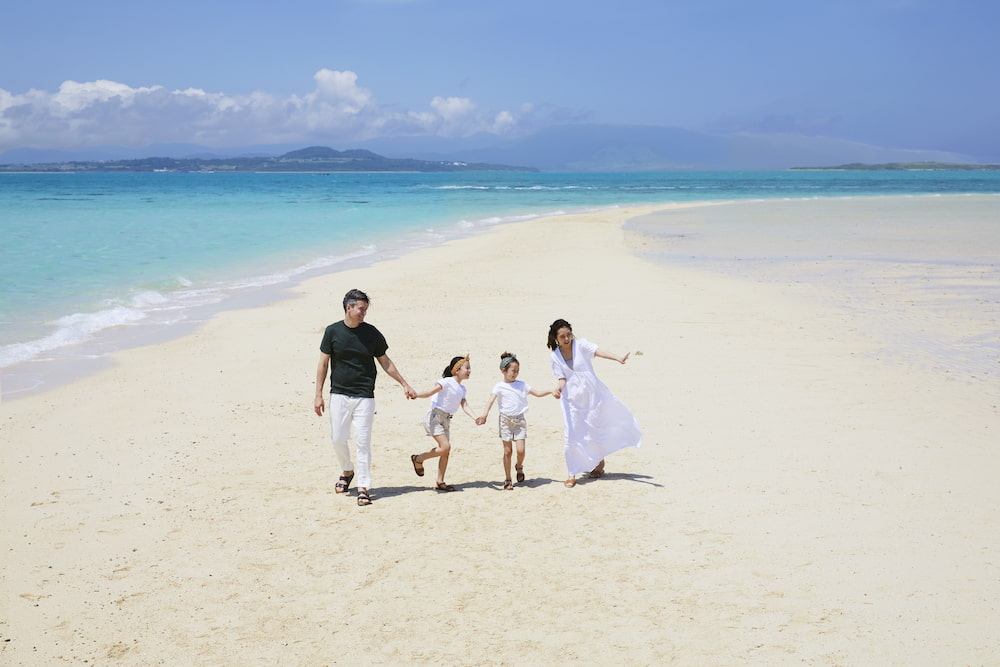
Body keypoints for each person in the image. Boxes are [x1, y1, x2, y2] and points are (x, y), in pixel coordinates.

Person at [314, 289, 416, 507]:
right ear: (348, 308)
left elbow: (385, 361)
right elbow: (323, 364)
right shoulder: (332, 332)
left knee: (362, 441)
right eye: (361, 309)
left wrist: (404, 383)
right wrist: (318, 395)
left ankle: (363, 487)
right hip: (339, 393)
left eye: (365, 310)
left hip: (364, 396)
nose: (364, 314)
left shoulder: (371, 333)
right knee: (337, 438)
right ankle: (347, 470)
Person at [547, 318, 642, 488]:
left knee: (594, 430)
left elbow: (599, 352)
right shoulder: (554, 357)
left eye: (568, 334)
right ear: (556, 338)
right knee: (571, 435)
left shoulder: (581, 345)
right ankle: (571, 474)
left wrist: (618, 358)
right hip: (572, 402)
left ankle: (599, 464)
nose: (567, 339)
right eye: (562, 337)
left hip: (593, 398)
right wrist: (558, 389)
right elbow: (562, 379)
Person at [477, 352, 553, 490]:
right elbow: (490, 401)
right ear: (503, 370)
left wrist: (550, 391)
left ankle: (519, 466)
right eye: (513, 371)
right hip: (505, 421)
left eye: (517, 371)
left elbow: (537, 393)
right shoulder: (499, 386)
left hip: (520, 421)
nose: (515, 373)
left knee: (521, 450)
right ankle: (507, 479)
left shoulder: (522, 385)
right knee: (507, 452)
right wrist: (484, 415)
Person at [410, 355, 478, 492]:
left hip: (446, 419)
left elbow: (465, 406)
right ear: (457, 370)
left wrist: (476, 418)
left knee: (445, 451)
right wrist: (417, 395)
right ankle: (418, 458)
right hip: (434, 416)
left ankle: (440, 481)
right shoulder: (446, 382)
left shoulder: (462, 389)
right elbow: (430, 392)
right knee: (445, 447)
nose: (469, 371)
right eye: (467, 368)